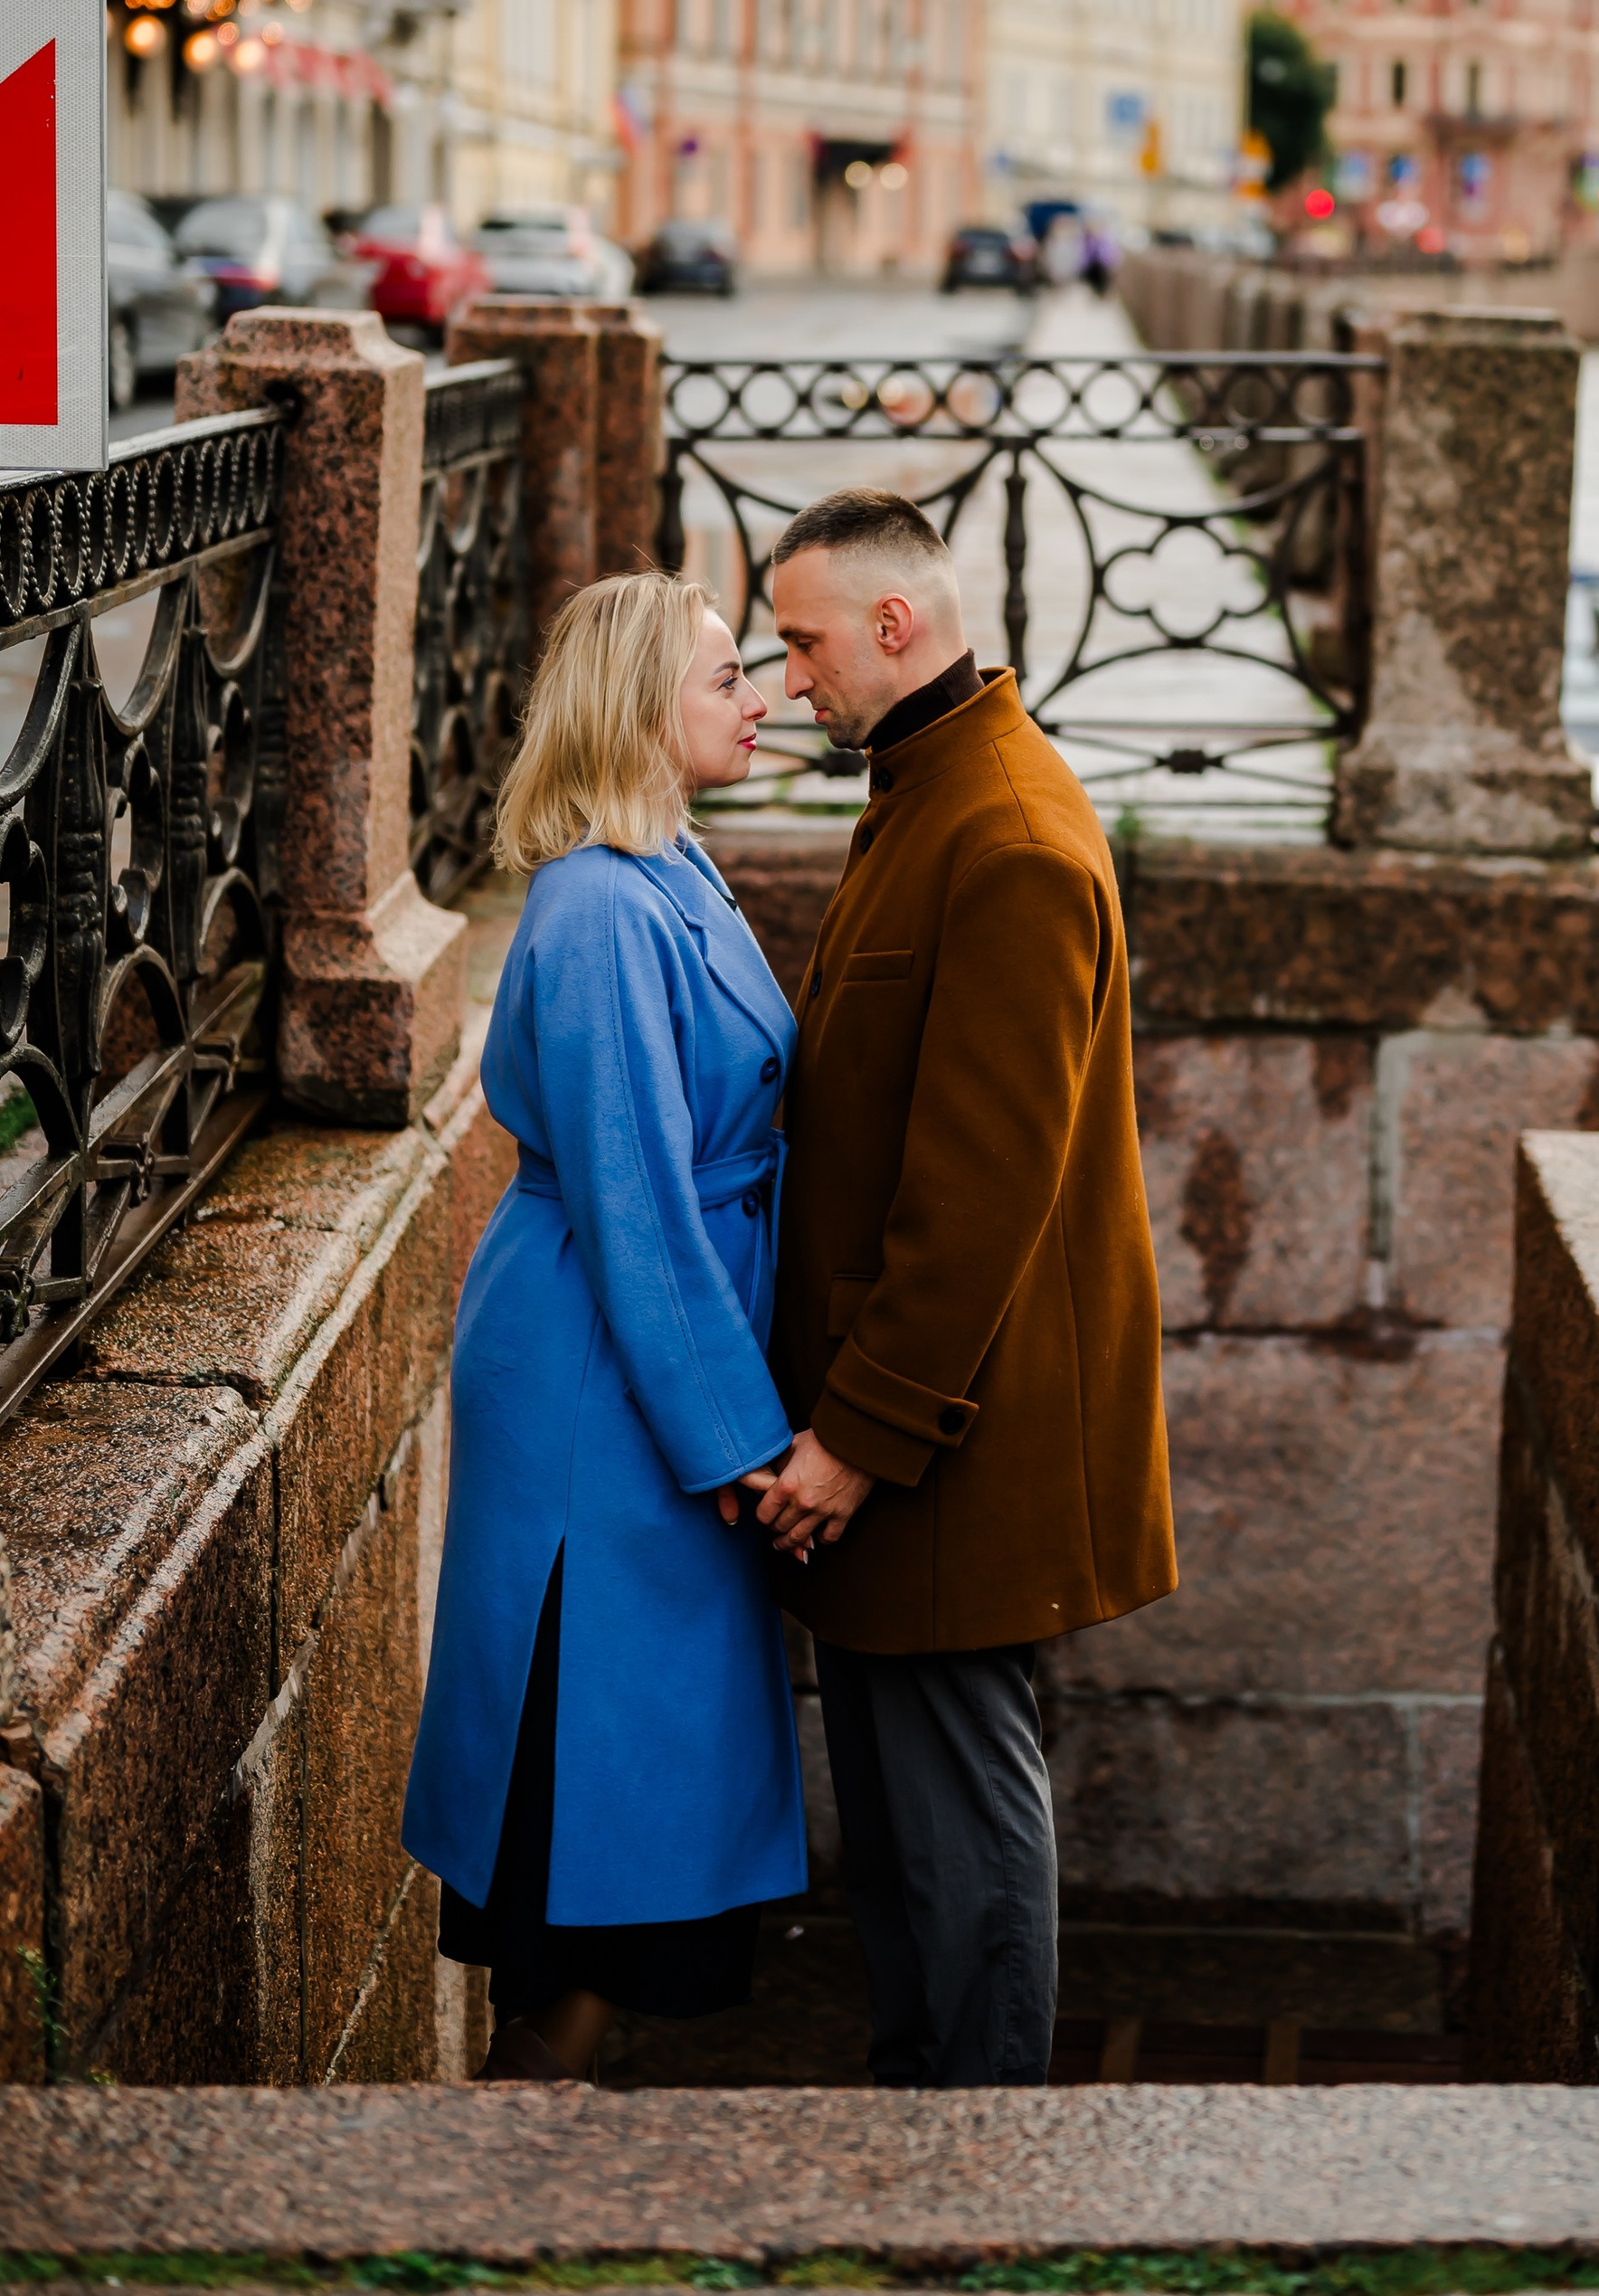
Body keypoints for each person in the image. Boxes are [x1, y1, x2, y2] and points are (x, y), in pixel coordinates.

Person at [733, 486, 1174, 2090]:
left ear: (895, 626)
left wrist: (856, 1434)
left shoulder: (1006, 832)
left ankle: (983, 2160)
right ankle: (926, 2121)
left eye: (802, 644)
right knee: (909, 1824)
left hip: (940, 1439)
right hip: (911, 1423)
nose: (789, 680)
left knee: (964, 1812)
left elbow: (981, 1198)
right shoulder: (937, 789)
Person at [402, 571, 805, 2085]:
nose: (756, 699)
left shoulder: (667, 864)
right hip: (603, 1366)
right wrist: (736, 1440)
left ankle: (533, 2122)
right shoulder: (594, 907)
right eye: (723, 681)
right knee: (578, 1795)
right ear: (641, 711)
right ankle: (517, 2139)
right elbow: (632, 1194)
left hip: (652, 1337)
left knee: (621, 1802)